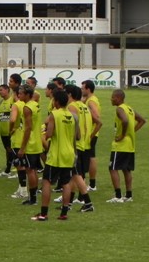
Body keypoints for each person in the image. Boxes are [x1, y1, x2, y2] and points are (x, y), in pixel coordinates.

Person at [32, 90, 78, 221]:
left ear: (56, 101)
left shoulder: (54, 115)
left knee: (47, 182)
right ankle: (64, 213)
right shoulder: (72, 115)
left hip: (56, 154)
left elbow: (50, 134)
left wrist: (44, 133)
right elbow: (77, 136)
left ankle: (43, 213)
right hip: (69, 153)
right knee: (66, 183)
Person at [107, 90, 146, 203]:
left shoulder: (119, 109)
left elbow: (124, 121)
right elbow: (142, 120)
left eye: (113, 97)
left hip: (121, 145)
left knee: (112, 168)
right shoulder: (129, 109)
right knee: (126, 169)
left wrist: (123, 135)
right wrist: (131, 132)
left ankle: (118, 196)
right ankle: (128, 195)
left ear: (119, 98)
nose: (111, 99)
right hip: (130, 144)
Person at [15, 84, 42, 205]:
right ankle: (34, 197)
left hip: (30, 144)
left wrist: (22, 147)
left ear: (27, 94)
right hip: (37, 142)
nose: (18, 95)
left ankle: (33, 199)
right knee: (34, 170)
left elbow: (28, 128)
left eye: (21, 93)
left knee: (30, 171)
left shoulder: (27, 108)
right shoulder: (35, 104)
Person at [81, 80, 103, 191]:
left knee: (90, 158)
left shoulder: (91, 101)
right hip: (91, 133)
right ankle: (92, 184)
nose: (81, 90)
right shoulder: (90, 99)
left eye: (82, 88)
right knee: (91, 157)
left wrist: (91, 134)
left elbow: (97, 117)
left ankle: (92, 184)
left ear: (88, 89)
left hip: (91, 133)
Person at [0, 84, 15, 178]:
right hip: (3, 131)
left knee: (12, 150)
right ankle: (8, 169)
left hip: (10, 131)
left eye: (1, 90)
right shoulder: (1, 102)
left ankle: (11, 169)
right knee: (7, 150)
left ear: (8, 90)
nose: (0, 92)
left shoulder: (12, 100)